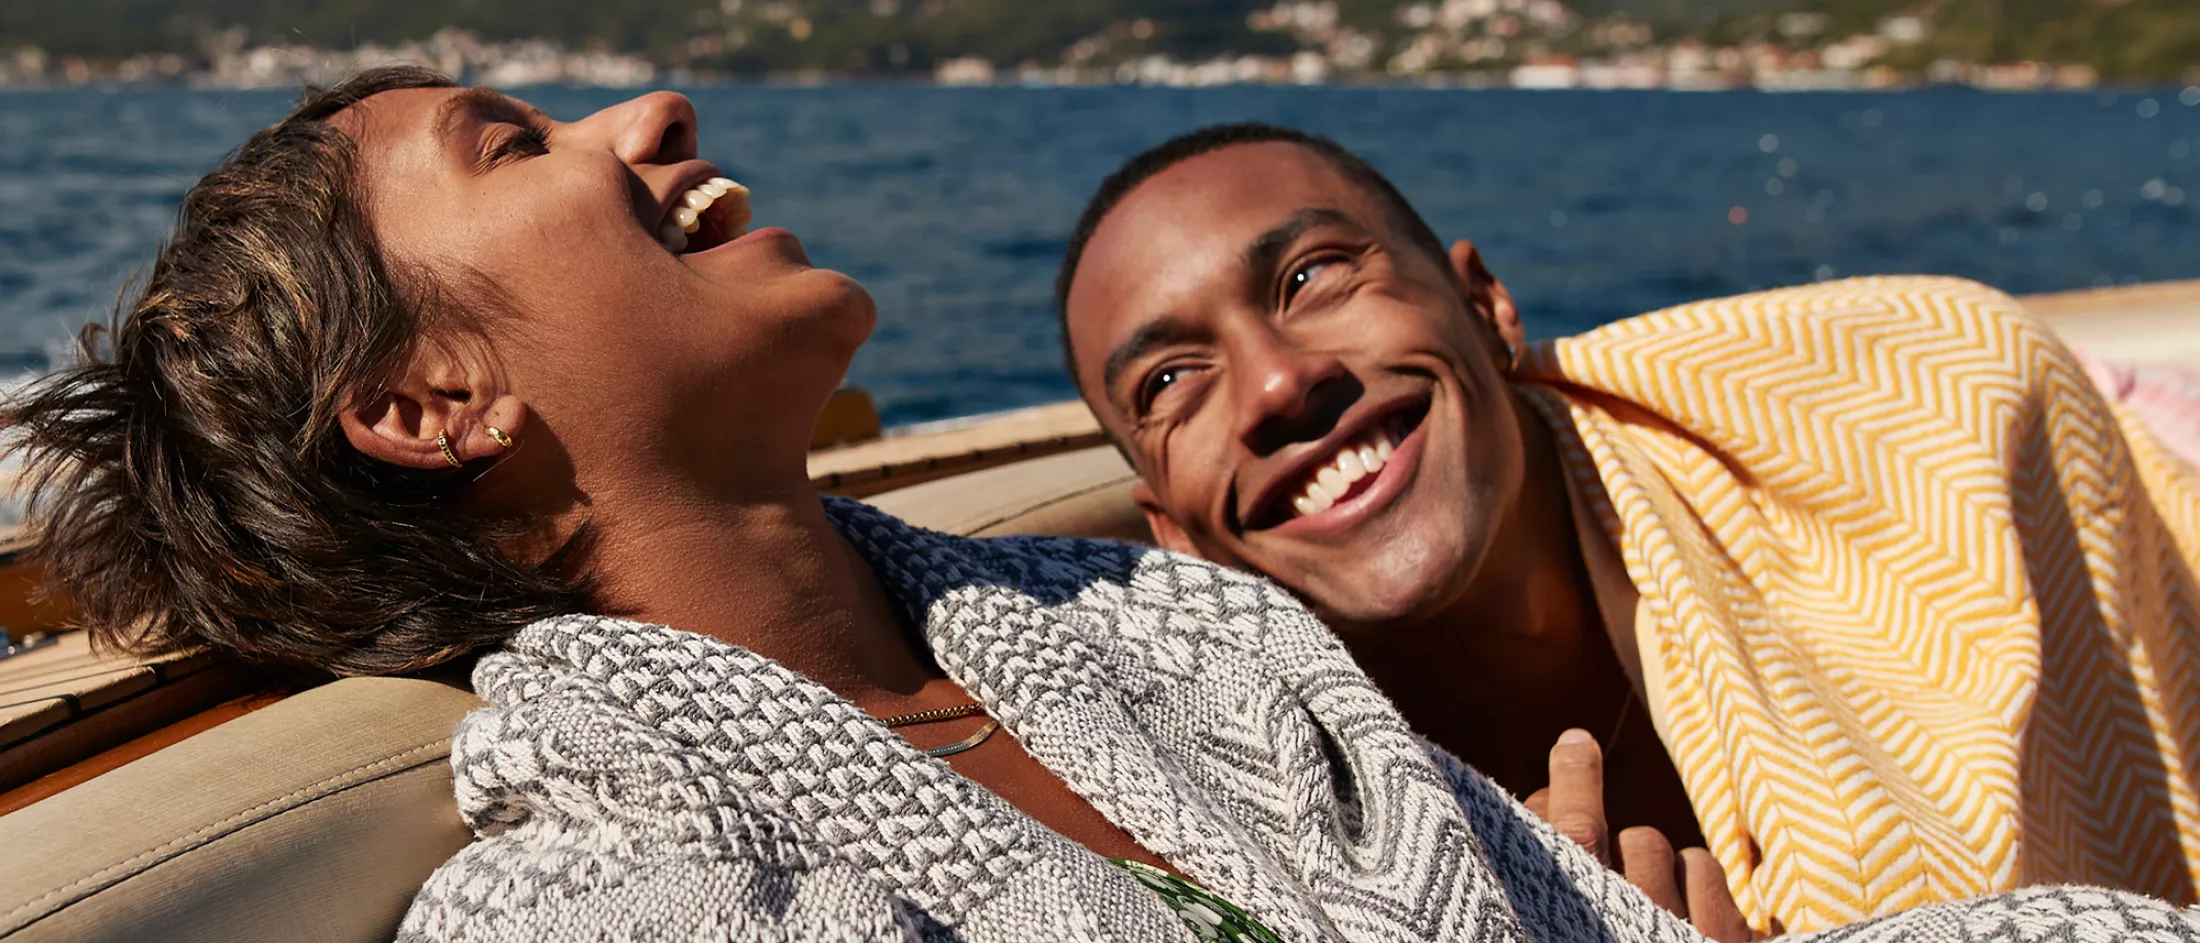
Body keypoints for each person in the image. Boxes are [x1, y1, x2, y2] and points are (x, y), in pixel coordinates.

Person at [8, 69, 2194, 943]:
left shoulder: (1188, 639)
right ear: (429, 398)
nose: (640, 109)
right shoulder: (606, 893)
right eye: (509, 143)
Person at [1055, 121, 2200, 936]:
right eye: (1167, 383)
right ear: (1174, 534)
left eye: (1312, 275)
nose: (1269, 387)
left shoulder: (1931, 413)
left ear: (1486, 304)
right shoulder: (1261, 836)